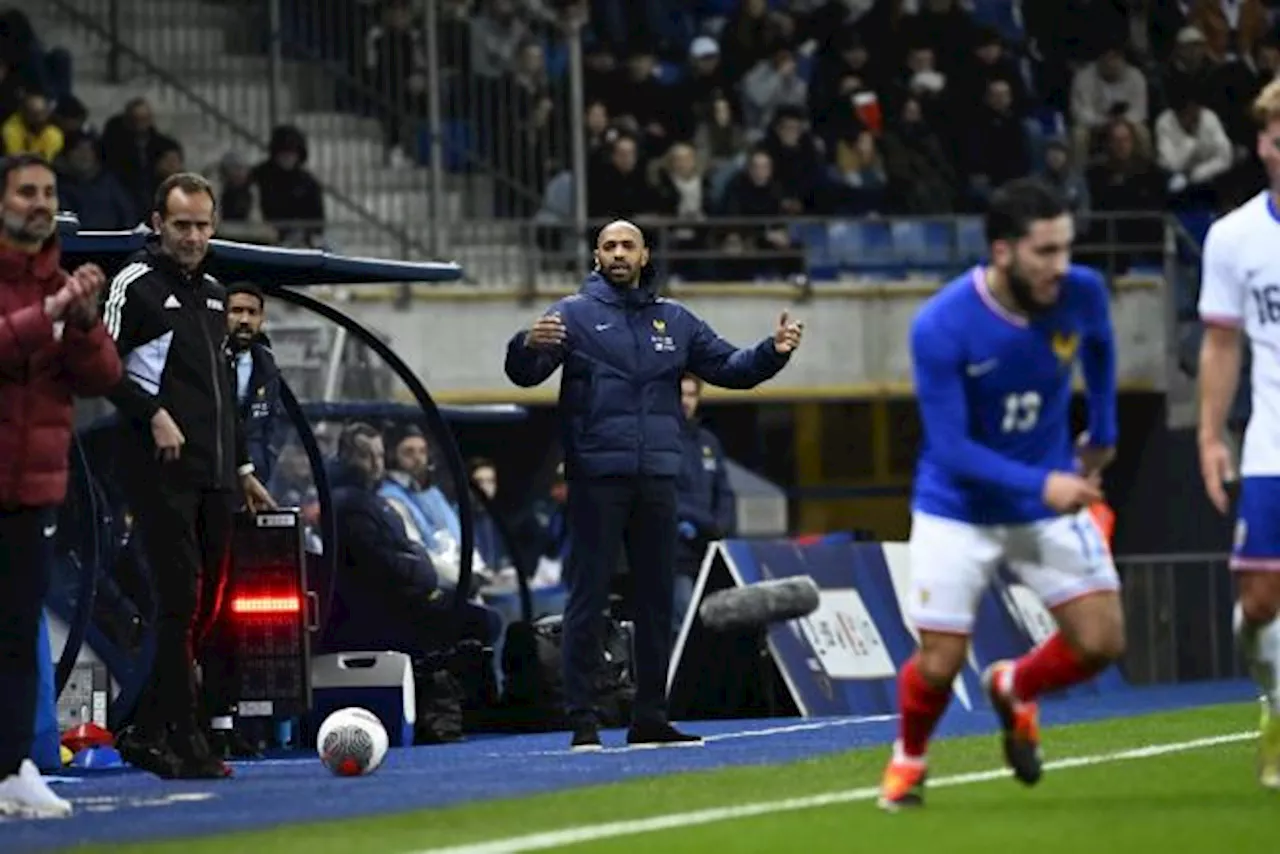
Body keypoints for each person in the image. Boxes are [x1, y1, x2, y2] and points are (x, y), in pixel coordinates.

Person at [504, 219, 803, 751]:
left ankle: (649, 718)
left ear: (645, 256)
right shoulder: (570, 314)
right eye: (609, 246)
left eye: (628, 246)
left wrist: (773, 351)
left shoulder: (677, 320)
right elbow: (526, 375)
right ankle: (583, 722)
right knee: (588, 597)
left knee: (656, 601)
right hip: (597, 474)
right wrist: (524, 345)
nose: (619, 253)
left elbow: (731, 367)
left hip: (658, 476)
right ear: (597, 257)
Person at [879, 177, 1124, 810]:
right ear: (1003, 251)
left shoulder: (1082, 293)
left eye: (1066, 248)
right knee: (938, 663)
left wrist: (1104, 429)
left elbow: (1099, 346)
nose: (1061, 267)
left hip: (1044, 504)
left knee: (1100, 641)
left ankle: (1014, 685)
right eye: (1045, 252)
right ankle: (909, 760)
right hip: (956, 509)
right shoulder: (942, 325)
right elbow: (951, 448)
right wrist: (1048, 482)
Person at [102, 171, 275, 780]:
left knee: (209, 607)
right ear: (157, 223)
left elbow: (223, 392)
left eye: (203, 225)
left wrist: (244, 464)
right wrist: (152, 415)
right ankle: (185, 739)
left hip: (216, 473)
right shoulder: (135, 285)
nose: (193, 236)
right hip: (161, 472)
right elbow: (99, 363)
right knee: (181, 601)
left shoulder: (213, 293)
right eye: (181, 225)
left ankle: (146, 730)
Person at [0, 153, 122, 819]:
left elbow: (101, 374)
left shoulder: (60, 280)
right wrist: (46, 312)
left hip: (36, 486)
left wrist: (81, 319)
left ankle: (13, 769)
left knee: (19, 634)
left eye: (48, 191)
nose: (39, 201)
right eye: (26, 190)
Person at [1195, 80, 1280, 791]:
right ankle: (1276, 700)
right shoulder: (1233, 236)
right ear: (1263, 144)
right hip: (1270, 437)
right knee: (1257, 601)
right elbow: (1220, 344)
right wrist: (1208, 435)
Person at [673, 374, 736, 636]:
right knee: (686, 621)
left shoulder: (708, 442)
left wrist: (721, 525)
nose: (686, 401)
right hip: (675, 554)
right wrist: (701, 522)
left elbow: (724, 491)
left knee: (717, 621)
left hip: (709, 552)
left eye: (691, 395)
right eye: (681, 394)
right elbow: (665, 496)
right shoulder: (658, 441)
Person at [226, 281, 286, 486]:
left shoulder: (267, 366)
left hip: (258, 477)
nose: (244, 320)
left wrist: (267, 463)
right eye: (236, 311)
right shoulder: (206, 360)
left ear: (261, 319)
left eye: (252, 313)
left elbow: (274, 425)